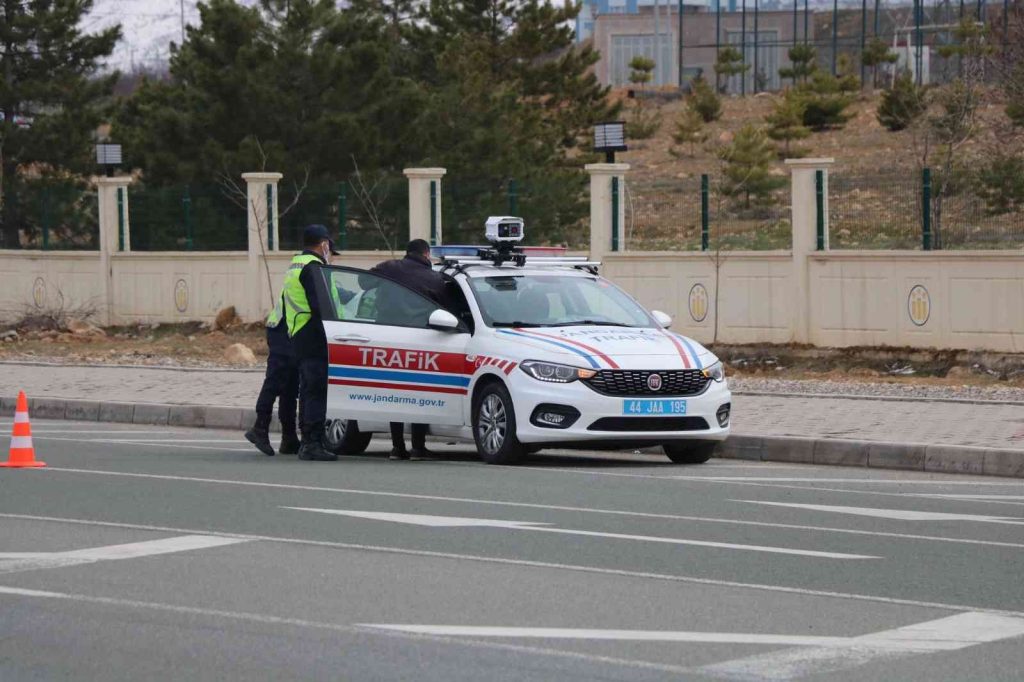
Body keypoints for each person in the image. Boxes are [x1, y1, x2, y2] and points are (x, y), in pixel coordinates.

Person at [368, 239, 450, 461]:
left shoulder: (389, 268)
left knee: (394, 391)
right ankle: (418, 447)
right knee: (418, 391)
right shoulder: (434, 279)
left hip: (386, 338)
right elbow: (447, 309)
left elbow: (363, 282)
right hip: (419, 340)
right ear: (426, 254)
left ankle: (397, 447)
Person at [284, 224, 340, 462]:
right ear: (324, 244)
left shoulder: (297, 264)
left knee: (307, 389)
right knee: (316, 389)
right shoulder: (314, 268)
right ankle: (313, 443)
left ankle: (307, 440)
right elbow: (320, 305)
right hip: (314, 333)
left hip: (299, 333)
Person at [244, 293, 300, 457]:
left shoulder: (312, 268)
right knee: (275, 380)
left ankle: (289, 437)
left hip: (290, 328)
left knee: (290, 383)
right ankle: (259, 427)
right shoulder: (309, 268)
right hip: (283, 330)